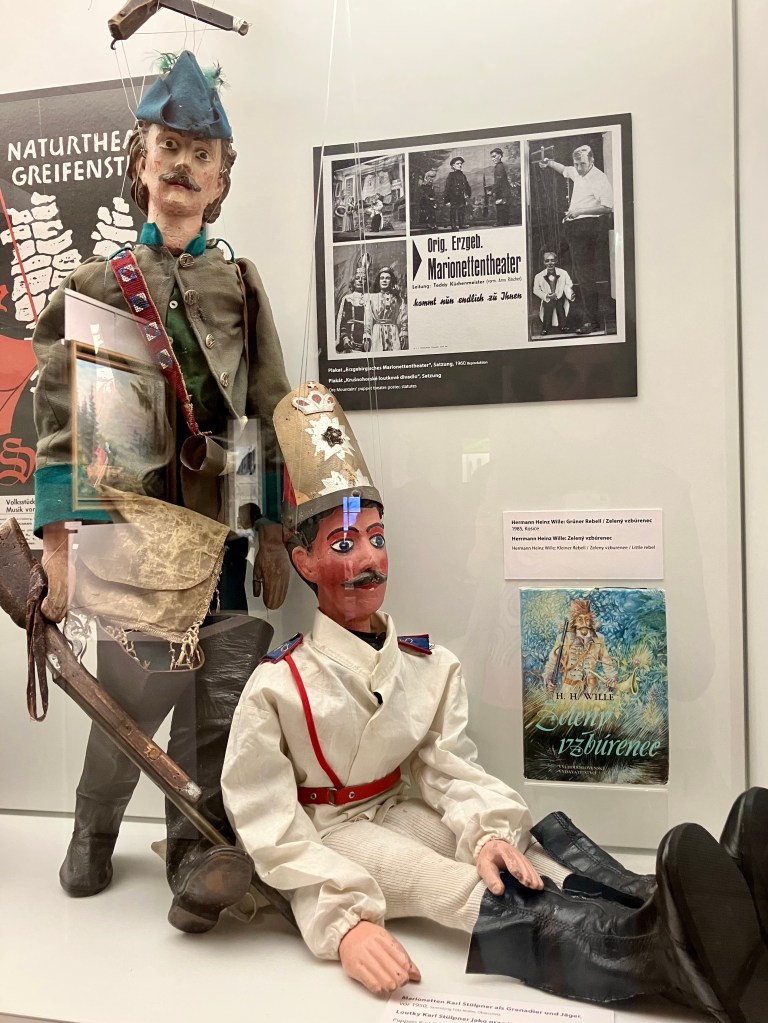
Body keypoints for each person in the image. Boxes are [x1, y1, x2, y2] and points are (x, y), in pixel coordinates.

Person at [222, 381, 768, 1021]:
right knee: (457, 886)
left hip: (398, 807)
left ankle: (681, 899)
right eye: (343, 545)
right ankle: (655, 956)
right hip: (333, 829)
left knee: (517, 853)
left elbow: (447, 768)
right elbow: (269, 825)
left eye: (376, 537)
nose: (369, 559)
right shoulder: (278, 685)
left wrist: (484, 831)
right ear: (305, 562)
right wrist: (341, 923)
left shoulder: (427, 666)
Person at [31, 51, 291, 932]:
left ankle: (194, 850)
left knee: (216, 697)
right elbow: (61, 419)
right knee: (130, 692)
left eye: (200, 154)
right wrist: (59, 543)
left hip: (220, 530)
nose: (182, 166)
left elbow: (266, 407)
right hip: (132, 528)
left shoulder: (242, 285)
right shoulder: (97, 287)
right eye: (168, 147)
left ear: (221, 180)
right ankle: (95, 825)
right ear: (140, 162)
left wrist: (275, 529)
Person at [540, 144, 613, 333]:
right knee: (547, 254)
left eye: (582, 164)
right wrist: (549, 163)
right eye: (576, 164)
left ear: (592, 161)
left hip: (587, 228)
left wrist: (580, 211)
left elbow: (607, 207)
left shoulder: (599, 178)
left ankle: (591, 321)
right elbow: (565, 170)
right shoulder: (577, 171)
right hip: (572, 227)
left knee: (584, 275)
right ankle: (555, 309)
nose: (579, 168)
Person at [542, 597, 617, 693]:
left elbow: (607, 663)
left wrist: (612, 677)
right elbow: (552, 662)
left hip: (592, 690)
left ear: (590, 621)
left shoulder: (599, 638)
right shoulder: (564, 638)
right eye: (580, 620)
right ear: (574, 622)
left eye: (587, 619)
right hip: (569, 689)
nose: (584, 623)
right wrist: (548, 679)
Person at [364, 265, 407, 352]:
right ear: (378, 281)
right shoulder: (372, 298)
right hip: (377, 333)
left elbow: (403, 317)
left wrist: (403, 333)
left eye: (387, 278)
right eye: (382, 278)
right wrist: (367, 336)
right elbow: (368, 318)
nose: (384, 280)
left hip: (393, 332)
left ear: (391, 281)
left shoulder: (398, 299)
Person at [532, 251, 575, 336]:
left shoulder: (563, 273)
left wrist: (568, 291)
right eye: (547, 261)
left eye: (552, 260)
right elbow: (536, 290)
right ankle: (545, 328)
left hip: (559, 297)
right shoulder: (539, 276)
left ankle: (563, 326)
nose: (550, 263)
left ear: (556, 261)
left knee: (561, 310)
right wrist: (546, 295)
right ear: (544, 262)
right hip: (548, 298)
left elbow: (568, 283)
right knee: (547, 311)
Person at [335, 266, 370, 353]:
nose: (360, 281)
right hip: (350, 340)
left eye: (363, 279)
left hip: (366, 341)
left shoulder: (371, 298)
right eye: (357, 278)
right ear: (353, 282)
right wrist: (345, 338)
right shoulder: (347, 299)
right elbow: (343, 320)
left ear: (367, 282)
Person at [443, 156, 471, 231]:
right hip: (453, 197)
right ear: (453, 166)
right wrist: (447, 200)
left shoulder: (463, 176)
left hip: (461, 196)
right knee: (453, 211)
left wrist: (468, 194)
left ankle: (461, 224)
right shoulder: (451, 175)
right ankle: (453, 225)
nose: (460, 165)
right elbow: (447, 188)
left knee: (461, 210)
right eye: (457, 164)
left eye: (461, 163)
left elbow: (467, 185)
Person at [489, 147, 513, 227]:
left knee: (500, 206)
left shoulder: (499, 167)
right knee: (503, 206)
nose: (493, 159)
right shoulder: (500, 166)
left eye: (494, 156)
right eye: (492, 157)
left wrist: (493, 191)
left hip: (501, 191)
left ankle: (500, 222)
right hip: (504, 190)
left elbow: (498, 181)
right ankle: (505, 222)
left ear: (499, 156)